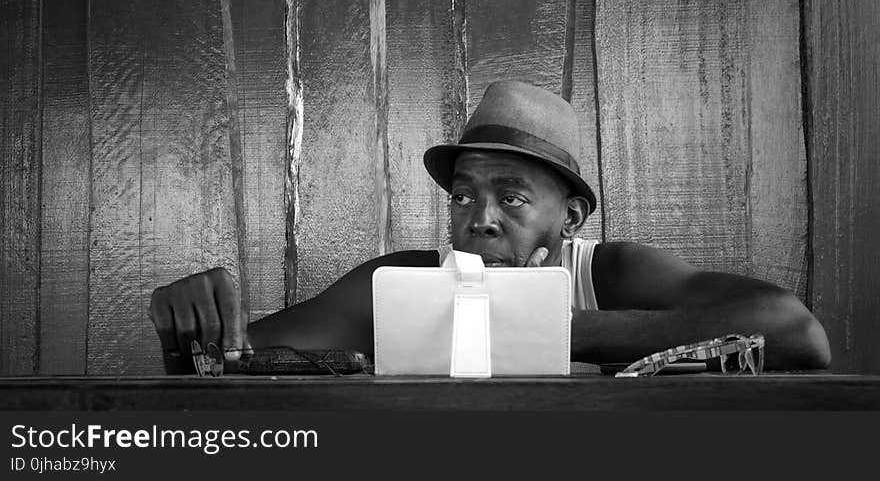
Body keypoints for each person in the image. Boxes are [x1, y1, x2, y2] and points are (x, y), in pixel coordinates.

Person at [149, 80, 831, 374]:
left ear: (568, 216)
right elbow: (227, 365)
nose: (480, 220)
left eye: (511, 198)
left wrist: (538, 327)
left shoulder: (614, 275)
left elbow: (798, 334)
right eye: (464, 196)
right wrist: (185, 326)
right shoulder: (407, 284)